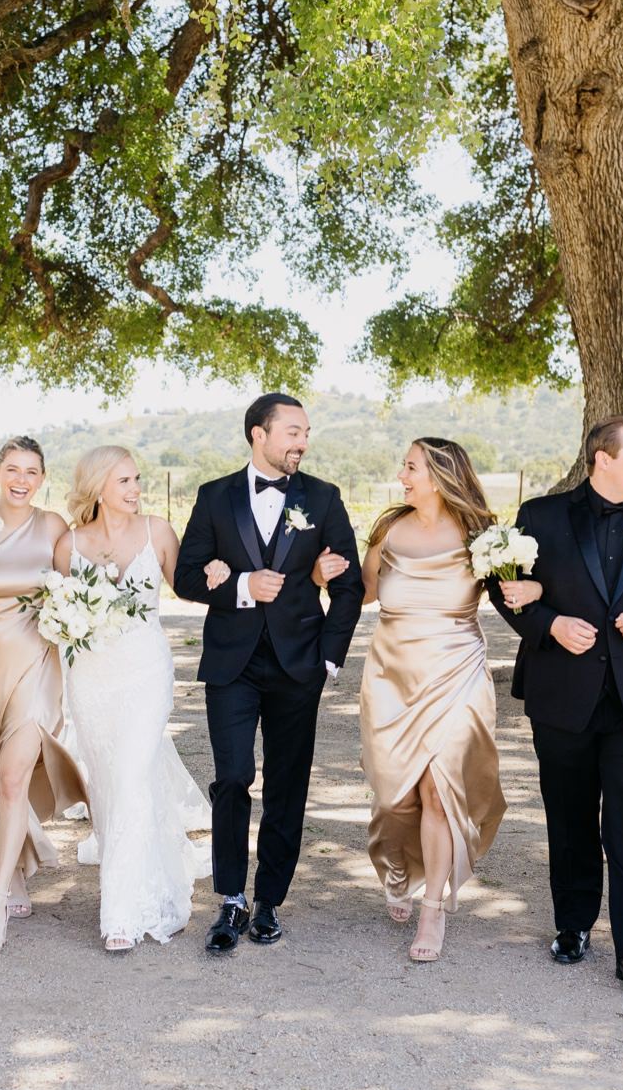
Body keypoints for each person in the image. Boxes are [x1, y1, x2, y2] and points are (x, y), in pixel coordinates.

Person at [484, 413, 623, 992]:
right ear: (602, 459)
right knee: (569, 818)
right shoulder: (540, 516)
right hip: (563, 695)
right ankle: (573, 925)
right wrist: (548, 623)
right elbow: (503, 583)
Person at [174, 393, 365, 953]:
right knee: (232, 777)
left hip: (298, 663)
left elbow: (349, 584)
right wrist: (239, 585)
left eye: (306, 433)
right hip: (232, 663)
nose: (302, 442)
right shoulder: (214, 497)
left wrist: (330, 656)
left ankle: (269, 902)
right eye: (293, 432)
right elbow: (186, 577)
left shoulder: (323, 498)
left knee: (288, 785)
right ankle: (230, 899)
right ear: (259, 434)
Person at [358, 439, 528, 962]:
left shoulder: (483, 535)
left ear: (439, 474)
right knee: (395, 796)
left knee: (438, 791)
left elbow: (514, 597)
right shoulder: (388, 529)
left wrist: (538, 593)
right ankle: (398, 865)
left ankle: (433, 908)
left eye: (410, 467)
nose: (402, 475)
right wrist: (323, 574)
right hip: (391, 674)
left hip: (457, 672)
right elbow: (361, 593)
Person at [56, 445, 211, 950]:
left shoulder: (157, 531)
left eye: (137, 479)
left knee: (129, 778)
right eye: (124, 481)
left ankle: (120, 914)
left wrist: (219, 576)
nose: (135, 489)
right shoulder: (69, 543)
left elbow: (185, 585)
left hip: (146, 670)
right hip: (91, 676)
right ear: (99, 487)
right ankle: (148, 878)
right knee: (107, 783)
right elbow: (58, 609)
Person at [0, 436, 87, 951]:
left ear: (42, 478)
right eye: (12, 469)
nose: (21, 479)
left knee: (11, 778)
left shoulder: (53, 528)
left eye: (31, 471)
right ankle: (18, 866)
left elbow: (79, 592)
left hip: (35, 662)